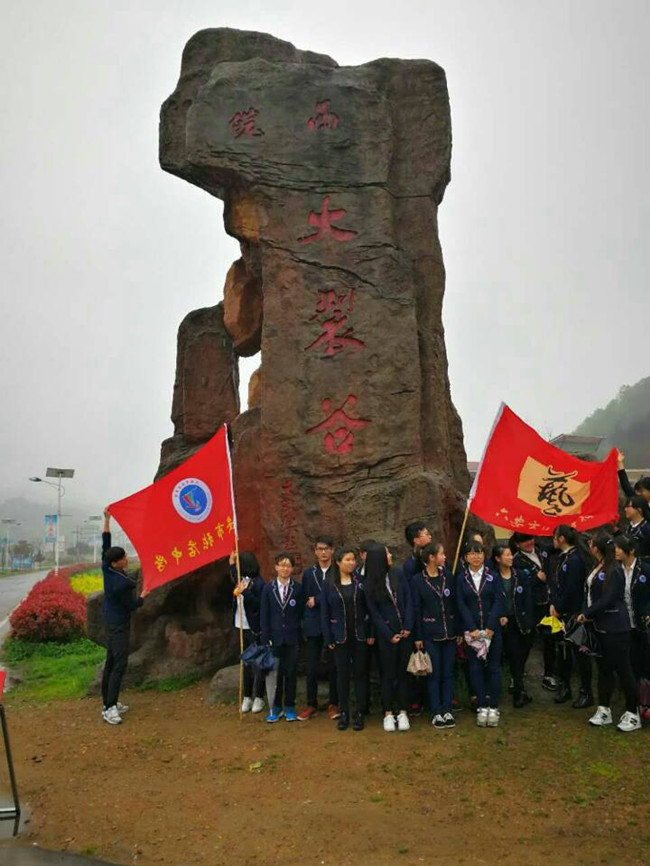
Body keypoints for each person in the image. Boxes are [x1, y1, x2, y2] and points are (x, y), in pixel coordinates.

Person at [577, 534, 641, 732]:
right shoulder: (597, 566)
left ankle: (633, 713)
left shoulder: (615, 570)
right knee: (604, 668)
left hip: (616, 626)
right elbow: (589, 593)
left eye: (591, 543)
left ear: (596, 547)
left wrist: (587, 614)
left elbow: (609, 598)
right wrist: (585, 612)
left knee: (623, 669)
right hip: (599, 626)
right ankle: (604, 709)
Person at [101, 508, 146, 726]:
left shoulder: (106, 566)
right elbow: (131, 605)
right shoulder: (120, 584)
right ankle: (110, 708)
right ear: (115, 563)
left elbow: (105, 544)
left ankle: (108, 703)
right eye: (123, 559)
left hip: (111, 622)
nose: (126, 560)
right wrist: (144, 595)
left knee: (111, 662)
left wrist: (107, 521)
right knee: (118, 664)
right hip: (119, 625)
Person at [321, 546, 374, 731]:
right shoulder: (329, 584)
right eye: (348, 560)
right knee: (342, 675)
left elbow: (369, 610)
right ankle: (343, 712)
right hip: (339, 637)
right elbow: (325, 613)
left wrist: (370, 633)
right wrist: (328, 638)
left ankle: (360, 712)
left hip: (360, 635)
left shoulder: (360, 582)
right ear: (338, 562)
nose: (352, 563)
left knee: (360, 674)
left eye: (353, 559)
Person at [365, 545, 413, 732]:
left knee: (403, 674)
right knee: (387, 675)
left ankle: (403, 712)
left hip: (405, 634)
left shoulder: (398, 574)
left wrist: (408, 626)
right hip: (386, 637)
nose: (390, 555)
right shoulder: (369, 583)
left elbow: (409, 600)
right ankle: (387, 713)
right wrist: (388, 634)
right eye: (386, 553)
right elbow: (374, 613)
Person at [456, 540, 504, 727]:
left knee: (494, 668)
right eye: (472, 553)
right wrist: (471, 628)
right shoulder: (461, 578)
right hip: (473, 633)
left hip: (492, 631)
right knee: (475, 669)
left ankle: (494, 706)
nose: (476, 556)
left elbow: (499, 600)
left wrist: (491, 627)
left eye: (479, 553)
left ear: (484, 555)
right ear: (466, 557)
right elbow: (461, 604)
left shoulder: (493, 576)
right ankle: (482, 705)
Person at [412, 542, 459, 728]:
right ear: (431, 557)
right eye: (441, 554)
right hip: (430, 634)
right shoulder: (418, 580)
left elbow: (455, 603)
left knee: (448, 673)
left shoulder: (448, 576)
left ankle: (447, 710)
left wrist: (458, 629)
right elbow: (416, 610)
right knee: (434, 674)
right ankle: (436, 711)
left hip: (450, 633)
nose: (444, 557)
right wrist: (418, 636)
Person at [550, 525, 592, 706]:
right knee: (563, 652)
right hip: (563, 613)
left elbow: (572, 588)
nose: (553, 540)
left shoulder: (574, 559)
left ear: (561, 539)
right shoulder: (564, 557)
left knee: (580, 653)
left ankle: (586, 692)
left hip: (574, 613)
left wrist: (559, 607)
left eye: (554, 537)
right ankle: (565, 686)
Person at [298, 535, 339, 721]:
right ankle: (311, 704)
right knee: (311, 666)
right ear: (315, 551)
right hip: (313, 623)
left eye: (326, 549)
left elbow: (337, 594)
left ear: (332, 550)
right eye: (319, 549)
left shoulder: (337, 570)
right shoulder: (309, 573)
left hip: (333, 624)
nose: (323, 552)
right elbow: (306, 599)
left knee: (334, 665)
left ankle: (334, 703)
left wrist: (318, 599)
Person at [260, 552, 305, 723]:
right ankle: (275, 707)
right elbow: (264, 614)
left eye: (288, 565)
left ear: (292, 568)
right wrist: (266, 637)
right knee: (275, 674)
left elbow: (301, 612)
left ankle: (290, 706)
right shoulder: (268, 589)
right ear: (276, 567)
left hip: (292, 637)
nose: (285, 568)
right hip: (274, 638)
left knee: (291, 673)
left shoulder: (298, 589)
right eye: (282, 565)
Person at [511, 532, 557, 691]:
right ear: (517, 544)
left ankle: (549, 675)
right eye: (524, 541)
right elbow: (519, 584)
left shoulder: (542, 550)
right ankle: (516, 677)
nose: (529, 542)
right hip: (531, 607)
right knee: (526, 642)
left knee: (550, 640)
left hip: (548, 605)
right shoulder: (516, 560)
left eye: (530, 538)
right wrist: (537, 579)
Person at [493, 544, 535, 708]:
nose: (511, 558)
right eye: (506, 555)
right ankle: (518, 691)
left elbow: (528, 598)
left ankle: (519, 687)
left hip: (522, 621)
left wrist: (529, 620)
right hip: (506, 623)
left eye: (511, 555)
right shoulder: (493, 577)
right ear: (498, 559)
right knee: (513, 656)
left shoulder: (520, 575)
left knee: (523, 654)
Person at [614, 535, 650, 718]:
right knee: (627, 663)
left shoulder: (645, 569)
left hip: (641, 624)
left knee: (643, 662)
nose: (616, 551)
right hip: (622, 624)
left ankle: (644, 702)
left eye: (619, 548)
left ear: (631, 550)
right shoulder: (615, 570)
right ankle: (631, 701)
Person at [230, 550, 266, 714]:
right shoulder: (241, 580)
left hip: (254, 629)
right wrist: (231, 563)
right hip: (240, 626)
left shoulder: (259, 584)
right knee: (246, 663)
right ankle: (247, 696)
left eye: (239, 565)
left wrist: (245, 592)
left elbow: (259, 604)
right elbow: (234, 577)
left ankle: (259, 696)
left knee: (258, 663)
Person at [402, 521, 432, 714]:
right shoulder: (410, 565)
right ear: (416, 540)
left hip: (436, 616)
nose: (429, 537)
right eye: (425, 534)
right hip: (418, 615)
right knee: (418, 659)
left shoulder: (433, 559)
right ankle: (416, 698)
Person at [624, 495, 650, 562]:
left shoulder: (647, 528)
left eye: (628, 507)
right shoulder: (628, 528)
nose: (625, 509)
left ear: (639, 509)